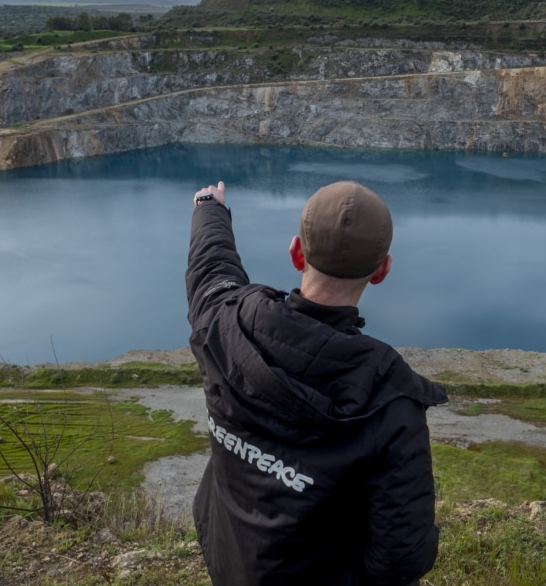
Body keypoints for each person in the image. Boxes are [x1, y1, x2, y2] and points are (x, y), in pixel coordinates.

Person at [185, 179, 448, 586]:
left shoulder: (227, 324)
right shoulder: (390, 402)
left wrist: (209, 208)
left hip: (231, 565)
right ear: (382, 270)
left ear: (296, 252)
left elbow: (211, 273)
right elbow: (401, 557)